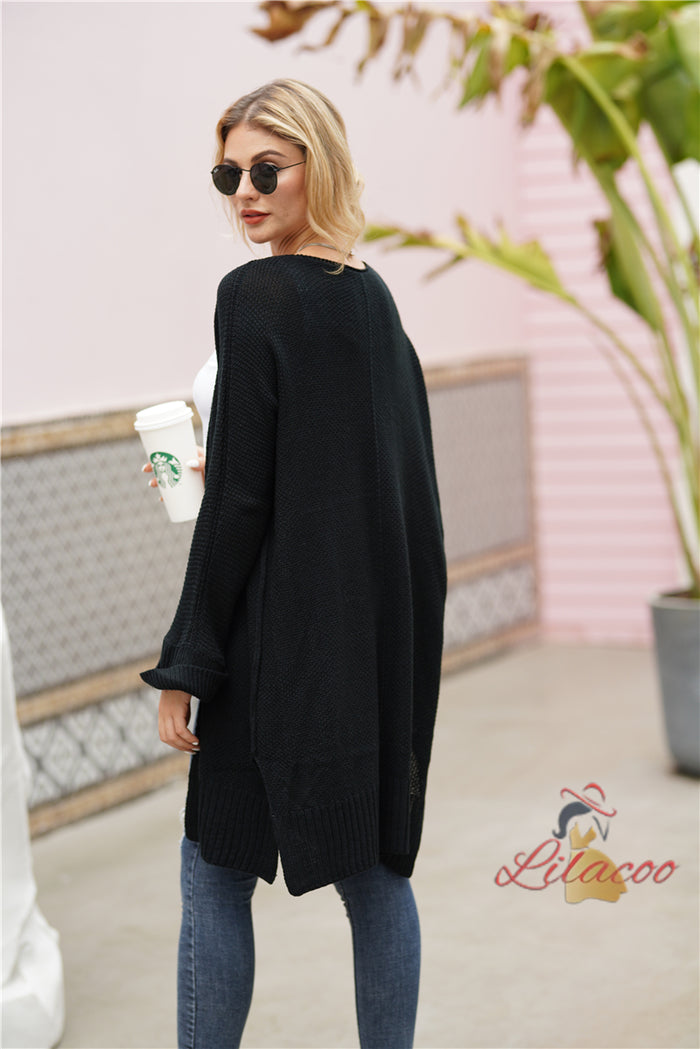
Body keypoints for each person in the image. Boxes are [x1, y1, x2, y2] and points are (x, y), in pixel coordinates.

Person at [140, 78, 447, 1049]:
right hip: (363, 643)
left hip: (272, 646)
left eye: (266, 169)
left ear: (321, 164)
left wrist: (188, 661)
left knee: (212, 869)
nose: (244, 192)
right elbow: (378, 482)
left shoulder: (253, 295)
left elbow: (241, 505)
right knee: (374, 874)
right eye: (228, 174)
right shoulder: (373, 299)